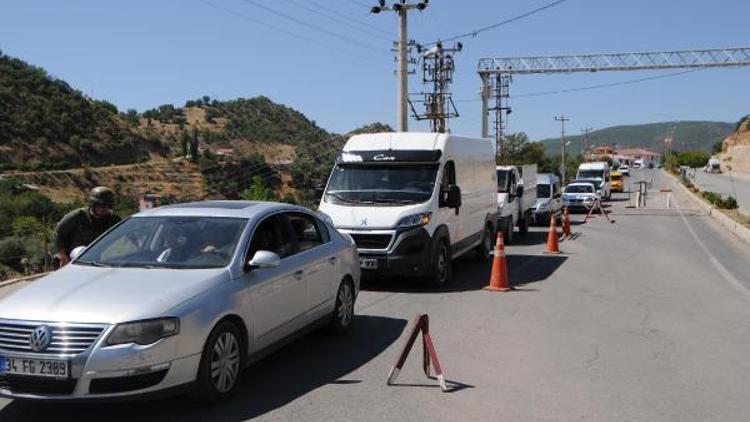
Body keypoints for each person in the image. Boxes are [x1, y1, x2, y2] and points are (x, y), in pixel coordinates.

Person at [53, 186, 121, 267]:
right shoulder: (78, 216)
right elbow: (58, 233)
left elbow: (129, 230)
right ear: (93, 204)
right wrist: (62, 256)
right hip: (68, 258)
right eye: (101, 205)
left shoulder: (112, 218)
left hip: (92, 260)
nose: (105, 208)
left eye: (108, 206)